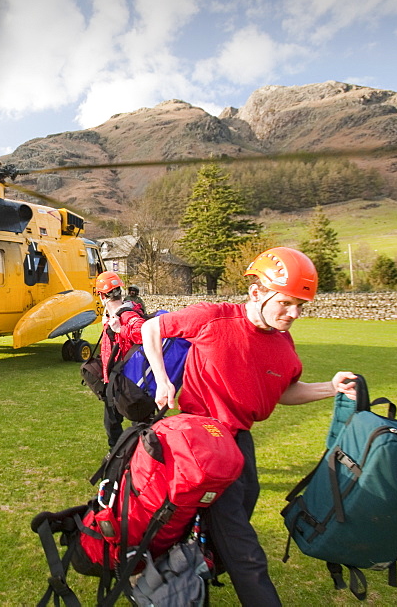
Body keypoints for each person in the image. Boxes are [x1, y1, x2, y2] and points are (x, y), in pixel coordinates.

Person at [140, 246, 357, 606]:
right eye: (286, 303)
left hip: (239, 443)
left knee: (238, 513)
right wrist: (163, 381)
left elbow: (286, 391)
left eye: (301, 306)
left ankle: (186, 569)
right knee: (242, 543)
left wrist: (332, 388)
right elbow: (151, 327)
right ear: (257, 293)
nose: (294, 314)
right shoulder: (213, 317)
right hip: (200, 441)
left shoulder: (283, 346)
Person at [95, 271, 147, 448]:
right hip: (115, 379)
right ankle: (118, 457)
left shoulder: (127, 315)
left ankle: (141, 457)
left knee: (141, 425)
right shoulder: (112, 315)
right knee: (112, 423)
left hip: (129, 381)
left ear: (101, 295)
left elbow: (144, 333)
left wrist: (120, 330)